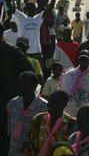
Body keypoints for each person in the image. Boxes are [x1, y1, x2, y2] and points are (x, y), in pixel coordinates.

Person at [0, 23, 33, 155]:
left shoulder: (13, 52)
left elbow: (30, 73)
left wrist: (21, 92)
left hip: (7, 102)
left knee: (5, 137)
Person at [5, 0, 58, 65]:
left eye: (33, 8)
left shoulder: (38, 18)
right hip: (25, 52)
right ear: (27, 9)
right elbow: (9, 5)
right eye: (31, 8)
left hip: (37, 52)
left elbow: (50, 7)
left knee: (39, 74)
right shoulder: (21, 17)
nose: (33, 9)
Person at [7, 71, 48, 155]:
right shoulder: (12, 103)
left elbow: (44, 135)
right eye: (19, 83)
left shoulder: (43, 107)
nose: (19, 87)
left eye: (23, 84)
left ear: (34, 86)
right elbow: (10, 130)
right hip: (13, 151)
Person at [24, 90, 76, 156]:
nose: (50, 104)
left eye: (55, 102)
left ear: (64, 105)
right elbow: (29, 144)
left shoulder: (71, 123)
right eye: (50, 101)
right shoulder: (38, 119)